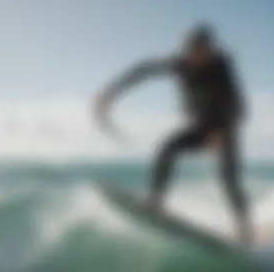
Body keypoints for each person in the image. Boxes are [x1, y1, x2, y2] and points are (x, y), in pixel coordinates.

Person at [94, 23, 253, 246]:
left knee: (229, 180)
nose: (199, 56)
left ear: (210, 50)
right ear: (188, 50)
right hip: (200, 127)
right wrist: (111, 92)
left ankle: (245, 228)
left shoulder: (221, 68)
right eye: (194, 51)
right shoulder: (180, 65)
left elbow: (237, 106)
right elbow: (143, 70)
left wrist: (222, 132)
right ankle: (156, 201)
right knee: (166, 148)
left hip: (224, 128)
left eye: (204, 51)